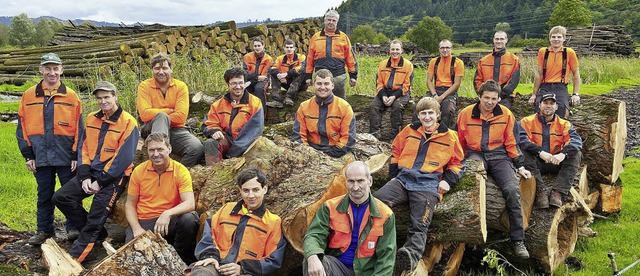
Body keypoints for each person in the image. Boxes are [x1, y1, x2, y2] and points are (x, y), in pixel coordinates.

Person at [373, 97, 464, 273]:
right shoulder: (409, 130)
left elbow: (458, 163)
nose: (427, 117)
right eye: (423, 113)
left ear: (438, 114)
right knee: (375, 203)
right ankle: (374, 245)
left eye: (431, 113)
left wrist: (448, 181)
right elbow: (396, 152)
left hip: (427, 185)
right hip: (403, 180)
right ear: (418, 115)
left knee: (420, 222)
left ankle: (409, 255)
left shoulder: (450, 136)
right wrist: (393, 176)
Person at [53, 81, 139, 262]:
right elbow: (84, 148)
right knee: (61, 197)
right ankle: (98, 233)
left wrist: (101, 182)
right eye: (99, 98)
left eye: (107, 97)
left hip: (114, 177)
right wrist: (83, 176)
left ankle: (73, 260)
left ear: (115, 96)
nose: (103, 101)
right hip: (90, 172)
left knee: (95, 215)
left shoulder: (129, 122)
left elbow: (122, 158)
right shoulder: (92, 118)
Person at [456, 80, 531, 259]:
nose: (490, 102)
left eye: (494, 99)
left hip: (499, 156)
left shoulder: (506, 114)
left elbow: (512, 142)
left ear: (498, 99)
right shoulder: (465, 114)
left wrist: (519, 164)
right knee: (471, 184)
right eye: (486, 98)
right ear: (479, 97)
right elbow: (459, 141)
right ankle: (468, 236)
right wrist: (457, 161)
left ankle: (518, 240)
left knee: (512, 190)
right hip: (475, 154)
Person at [17, 53, 83, 245]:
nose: (51, 72)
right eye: (48, 68)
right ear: (41, 70)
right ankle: (44, 229)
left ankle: (73, 227)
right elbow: (22, 127)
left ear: (61, 70)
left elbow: (79, 129)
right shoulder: (28, 96)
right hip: (40, 155)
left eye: (55, 68)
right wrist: (28, 154)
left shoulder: (71, 96)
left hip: (65, 155)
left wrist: (75, 155)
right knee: (44, 194)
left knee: (70, 193)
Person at [303, 161, 396, 276]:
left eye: (360, 181)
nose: (355, 187)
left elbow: (386, 259)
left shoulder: (385, 214)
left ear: (370, 181)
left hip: (366, 272)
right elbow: (314, 235)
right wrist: (312, 256)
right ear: (345, 182)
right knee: (313, 260)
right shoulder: (330, 207)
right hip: (337, 268)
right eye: (351, 181)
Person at [189, 168, 287, 276]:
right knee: (201, 273)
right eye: (246, 190)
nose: (251, 196)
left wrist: (242, 268)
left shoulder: (273, 222)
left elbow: (273, 260)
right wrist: (210, 257)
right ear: (240, 190)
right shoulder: (226, 209)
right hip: (215, 265)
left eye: (255, 190)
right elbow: (208, 236)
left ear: (264, 189)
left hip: (246, 272)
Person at [125, 132, 199, 264]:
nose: (156, 154)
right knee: (132, 257)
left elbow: (190, 203)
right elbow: (130, 204)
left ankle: (178, 259)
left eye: (160, 149)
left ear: (169, 149)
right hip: (145, 221)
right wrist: (136, 228)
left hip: (169, 221)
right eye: (151, 150)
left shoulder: (180, 170)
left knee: (190, 219)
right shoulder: (139, 171)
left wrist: (167, 213)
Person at [137, 53, 203, 168]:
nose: (161, 72)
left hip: (176, 129)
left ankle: (175, 172)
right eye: (157, 68)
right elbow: (144, 115)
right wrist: (168, 111)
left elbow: (181, 117)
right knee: (161, 116)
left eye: (165, 68)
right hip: (151, 128)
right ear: (152, 70)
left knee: (196, 147)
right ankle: (158, 157)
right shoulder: (144, 86)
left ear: (171, 70)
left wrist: (160, 114)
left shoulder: (180, 86)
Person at [519, 93, 582, 208]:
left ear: (557, 107)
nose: (548, 106)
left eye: (552, 103)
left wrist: (563, 154)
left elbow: (576, 141)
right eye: (545, 103)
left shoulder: (564, 124)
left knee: (576, 154)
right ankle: (540, 190)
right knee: (523, 153)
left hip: (556, 162)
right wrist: (539, 152)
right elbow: (521, 139)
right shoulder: (527, 121)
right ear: (539, 105)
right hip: (536, 163)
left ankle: (558, 192)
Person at [202, 68, 264, 165]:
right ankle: (214, 174)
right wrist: (215, 131)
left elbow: (253, 132)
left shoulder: (255, 103)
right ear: (228, 85)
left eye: (241, 83)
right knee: (210, 143)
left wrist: (232, 154)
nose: (238, 86)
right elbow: (209, 123)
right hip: (227, 140)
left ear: (245, 83)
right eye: (234, 83)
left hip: (247, 144)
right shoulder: (218, 105)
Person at [292, 69, 356, 158]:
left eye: (326, 83)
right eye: (319, 83)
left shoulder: (345, 107)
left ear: (332, 85)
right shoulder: (304, 107)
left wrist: (328, 156)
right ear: (313, 85)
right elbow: (298, 136)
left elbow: (348, 139)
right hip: (309, 151)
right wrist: (309, 153)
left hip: (337, 151)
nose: (322, 87)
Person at [529, 25, 581, 119]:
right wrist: (534, 94)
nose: (556, 39)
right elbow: (539, 74)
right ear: (549, 38)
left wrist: (575, 94)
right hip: (545, 86)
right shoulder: (543, 52)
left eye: (559, 37)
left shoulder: (569, 52)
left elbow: (576, 74)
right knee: (539, 109)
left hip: (560, 87)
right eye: (553, 37)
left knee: (561, 109)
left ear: (564, 38)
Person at [304, 9, 358, 99]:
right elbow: (309, 59)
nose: (331, 22)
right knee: (320, 101)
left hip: (338, 76)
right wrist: (308, 76)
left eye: (333, 20)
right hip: (320, 76)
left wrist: (353, 76)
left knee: (340, 101)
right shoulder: (315, 37)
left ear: (337, 22)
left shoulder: (343, 37)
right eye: (329, 20)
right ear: (325, 20)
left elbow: (350, 58)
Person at [369, 40, 414, 140]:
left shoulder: (408, 65)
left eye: (397, 49)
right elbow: (379, 82)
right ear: (389, 50)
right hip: (385, 91)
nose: (395, 51)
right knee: (373, 106)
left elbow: (406, 85)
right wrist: (383, 96)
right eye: (393, 49)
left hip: (401, 93)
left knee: (397, 107)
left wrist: (394, 97)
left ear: (401, 50)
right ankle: (374, 135)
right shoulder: (382, 64)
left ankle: (395, 137)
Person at [474, 31, 521, 108]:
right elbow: (477, 81)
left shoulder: (514, 59)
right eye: (497, 39)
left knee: (502, 114)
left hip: (505, 97)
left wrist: (500, 95)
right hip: (486, 95)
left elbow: (514, 81)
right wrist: (483, 94)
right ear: (493, 40)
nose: (499, 41)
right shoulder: (483, 61)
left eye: (502, 39)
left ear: (506, 40)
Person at [425, 39, 464, 129]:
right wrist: (435, 95)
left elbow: (456, 84)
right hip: (435, 90)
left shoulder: (458, 63)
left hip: (450, 92)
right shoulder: (434, 62)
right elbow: (428, 81)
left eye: (447, 48)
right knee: (421, 107)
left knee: (447, 111)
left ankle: (443, 135)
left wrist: (441, 97)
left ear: (451, 49)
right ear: (439, 49)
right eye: (442, 48)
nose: (445, 50)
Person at [267, 39, 308, 108]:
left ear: (294, 48)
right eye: (287, 47)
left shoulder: (301, 57)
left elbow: (302, 68)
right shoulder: (280, 58)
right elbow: (273, 69)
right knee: (274, 75)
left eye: (291, 47)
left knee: (301, 73)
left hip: (300, 84)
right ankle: (276, 101)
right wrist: (279, 75)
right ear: (284, 48)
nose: (289, 49)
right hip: (287, 82)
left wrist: (287, 74)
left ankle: (289, 97)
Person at [243, 38, 274, 107]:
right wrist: (255, 78)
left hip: (262, 82)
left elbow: (264, 77)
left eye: (259, 46)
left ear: (263, 46)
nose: (257, 48)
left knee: (259, 88)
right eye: (255, 46)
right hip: (249, 80)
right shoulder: (247, 57)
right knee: (242, 89)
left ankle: (261, 113)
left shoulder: (268, 59)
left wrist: (251, 81)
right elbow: (245, 72)